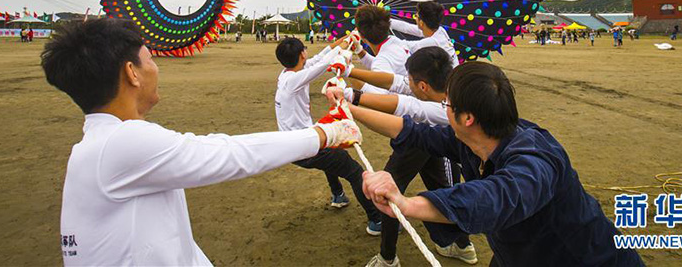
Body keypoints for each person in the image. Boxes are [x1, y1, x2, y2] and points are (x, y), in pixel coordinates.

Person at [41, 18, 362, 266]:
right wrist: (324, 134)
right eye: (150, 59)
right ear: (131, 73)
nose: (156, 67)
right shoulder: (121, 143)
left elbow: (174, 244)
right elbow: (231, 154)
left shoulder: (100, 144)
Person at [358, 62, 644, 267]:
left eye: (447, 104)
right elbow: (415, 131)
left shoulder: (536, 158)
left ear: (467, 117)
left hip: (583, 258)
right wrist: (350, 107)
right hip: (517, 255)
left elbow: (495, 197)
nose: (443, 110)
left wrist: (407, 204)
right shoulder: (475, 137)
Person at [326, 47, 477, 266]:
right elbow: (395, 83)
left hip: (432, 143)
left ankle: (387, 258)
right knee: (439, 186)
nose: (408, 83)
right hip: (429, 139)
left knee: (389, 189)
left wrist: (349, 99)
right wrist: (349, 72)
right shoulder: (444, 83)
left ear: (423, 86)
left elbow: (406, 105)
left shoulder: (444, 109)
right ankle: (461, 245)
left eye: (412, 81)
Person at [274, 36, 383, 236]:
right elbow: (323, 64)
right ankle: (376, 220)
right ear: (301, 55)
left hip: (298, 142)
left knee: (331, 150)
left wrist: (345, 39)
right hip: (304, 146)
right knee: (354, 171)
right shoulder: (294, 80)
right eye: (305, 50)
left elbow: (320, 56)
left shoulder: (287, 74)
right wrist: (342, 50)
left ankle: (338, 195)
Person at [389, 1, 458, 69]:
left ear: (421, 22)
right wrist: (385, 19)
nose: (415, 18)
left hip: (452, 78)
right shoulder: (440, 30)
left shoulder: (432, 42)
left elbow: (403, 45)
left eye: (416, 16)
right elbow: (406, 27)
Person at [352, 5, 409, 77]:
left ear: (361, 36)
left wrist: (348, 72)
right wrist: (359, 50)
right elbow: (382, 63)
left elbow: (381, 64)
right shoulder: (394, 40)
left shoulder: (381, 62)